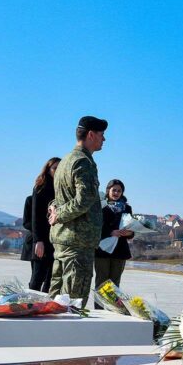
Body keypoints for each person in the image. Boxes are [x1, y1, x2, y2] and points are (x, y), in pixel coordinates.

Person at [48, 116, 106, 304]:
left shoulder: (65, 160)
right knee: (72, 302)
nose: (104, 139)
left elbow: (59, 198)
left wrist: (56, 210)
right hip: (77, 242)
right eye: (101, 135)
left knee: (55, 300)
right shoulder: (83, 162)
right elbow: (84, 199)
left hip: (65, 240)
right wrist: (59, 215)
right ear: (91, 135)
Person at [93, 179, 135, 296]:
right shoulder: (100, 206)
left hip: (120, 250)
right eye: (114, 190)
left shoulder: (127, 208)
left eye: (119, 191)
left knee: (115, 284)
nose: (116, 193)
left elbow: (131, 228)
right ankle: (100, 310)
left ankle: (113, 310)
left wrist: (129, 233)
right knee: (101, 282)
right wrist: (110, 232)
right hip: (102, 250)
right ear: (108, 191)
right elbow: (94, 227)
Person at [25, 157, 60, 292]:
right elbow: (35, 217)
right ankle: (30, 305)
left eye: (59, 168)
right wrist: (38, 240)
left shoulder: (63, 188)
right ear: (48, 169)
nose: (57, 171)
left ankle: (44, 307)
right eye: (54, 168)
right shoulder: (40, 187)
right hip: (42, 239)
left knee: (51, 278)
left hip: (56, 240)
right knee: (37, 277)